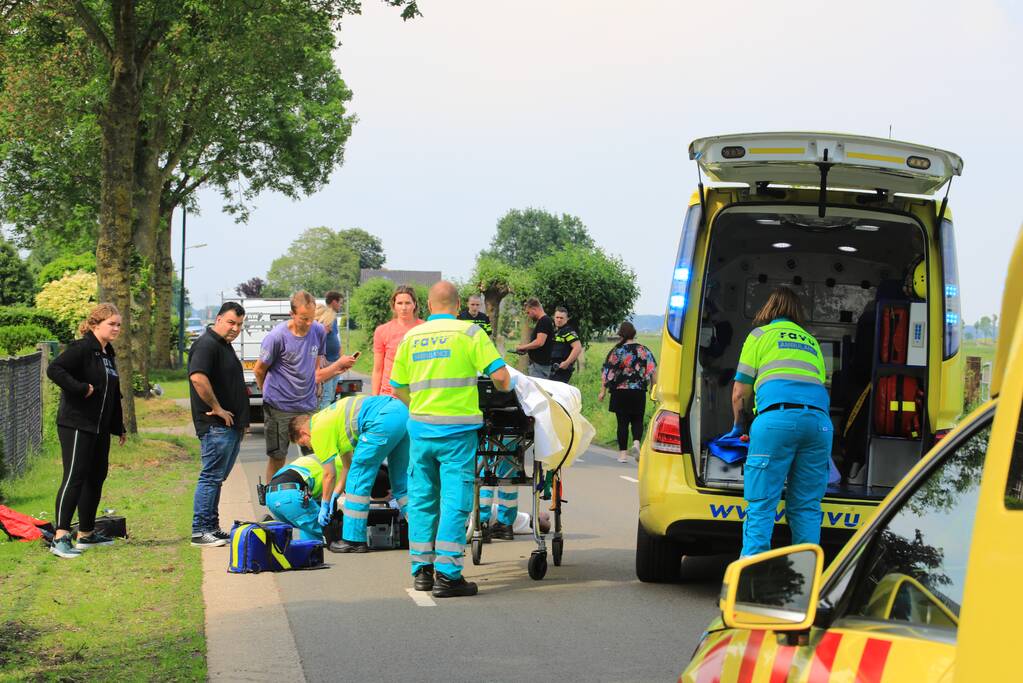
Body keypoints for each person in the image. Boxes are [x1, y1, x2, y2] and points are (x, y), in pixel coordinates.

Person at [390, 280, 513, 598]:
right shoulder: (471, 333)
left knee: (422, 501)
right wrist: (506, 388)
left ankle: (422, 572)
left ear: (429, 306)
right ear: (458, 307)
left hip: (421, 432)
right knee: (455, 502)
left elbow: (397, 386)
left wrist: (418, 407)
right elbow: (501, 378)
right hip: (457, 434)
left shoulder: (411, 337)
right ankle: (447, 575)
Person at [729, 287, 832, 557]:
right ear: (797, 311)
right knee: (807, 506)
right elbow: (819, 383)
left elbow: (740, 392)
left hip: (775, 421)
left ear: (769, 308)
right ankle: (804, 574)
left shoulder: (760, 335)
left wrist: (739, 426)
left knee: (762, 505)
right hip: (819, 425)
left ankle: (752, 573)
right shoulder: (811, 342)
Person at [253, 291, 357, 497]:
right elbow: (259, 370)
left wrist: (319, 382)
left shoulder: (318, 331)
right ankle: (274, 499)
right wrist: (269, 396)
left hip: (307, 404)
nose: (309, 323)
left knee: (318, 453)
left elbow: (316, 365)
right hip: (279, 406)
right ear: (292, 314)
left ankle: (317, 499)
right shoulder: (276, 337)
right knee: (278, 456)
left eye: (311, 318)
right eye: (304, 319)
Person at [46, 303, 127, 558]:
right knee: (75, 476)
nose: (116, 328)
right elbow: (54, 369)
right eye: (111, 324)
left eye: (119, 324)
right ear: (95, 324)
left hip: (99, 427)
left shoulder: (107, 354)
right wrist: (80, 389)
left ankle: (87, 534)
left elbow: (113, 393)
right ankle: (60, 536)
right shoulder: (82, 349)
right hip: (77, 423)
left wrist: (119, 426)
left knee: (96, 477)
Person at [287, 393, 411, 552]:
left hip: (381, 419)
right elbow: (347, 465)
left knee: (357, 478)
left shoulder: (317, 430)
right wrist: (335, 494)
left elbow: (329, 474)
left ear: (303, 432)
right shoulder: (330, 420)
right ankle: (423, 534)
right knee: (403, 484)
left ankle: (354, 541)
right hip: (401, 412)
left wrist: (324, 504)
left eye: (304, 444)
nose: (309, 447)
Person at [188, 302, 250, 547]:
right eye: (231, 322)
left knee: (217, 478)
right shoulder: (206, 344)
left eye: (240, 324)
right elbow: (198, 378)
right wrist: (217, 407)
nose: (235, 328)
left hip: (230, 426)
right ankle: (200, 530)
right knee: (211, 477)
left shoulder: (224, 345)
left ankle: (212, 527)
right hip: (215, 425)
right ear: (218, 319)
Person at [599, 322, 657, 463]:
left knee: (622, 423)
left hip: (620, 392)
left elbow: (607, 373)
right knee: (637, 419)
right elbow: (652, 371)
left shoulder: (617, 351)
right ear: (634, 333)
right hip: (638, 391)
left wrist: (603, 391)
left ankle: (623, 455)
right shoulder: (643, 350)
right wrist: (653, 388)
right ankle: (636, 443)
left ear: (621, 334)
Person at [371, 285, 425, 397]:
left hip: (418, 393)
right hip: (389, 395)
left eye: (407, 303)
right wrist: (375, 398)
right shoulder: (382, 331)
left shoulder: (426, 328)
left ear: (414, 304)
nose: (404, 307)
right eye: (400, 303)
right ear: (393, 306)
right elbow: (377, 369)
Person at [516, 298, 555, 379]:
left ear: (534, 309)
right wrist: (527, 349)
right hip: (538, 366)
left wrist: (523, 347)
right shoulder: (543, 321)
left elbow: (539, 342)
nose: (528, 315)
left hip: (539, 367)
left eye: (528, 312)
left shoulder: (544, 321)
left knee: (537, 387)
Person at [318, 291, 343, 410]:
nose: (341, 305)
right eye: (340, 302)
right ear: (334, 302)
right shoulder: (325, 316)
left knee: (331, 395)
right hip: (327, 363)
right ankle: (322, 419)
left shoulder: (333, 318)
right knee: (326, 396)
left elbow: (336, 338)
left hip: (334, 362)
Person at [550, 306, 583, 383]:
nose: (559, 320)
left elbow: (578, 347)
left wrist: (567, 362)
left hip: (562, 369)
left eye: (561, 318)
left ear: (567, 319)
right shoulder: (556, 331)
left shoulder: (568, 331)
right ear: (554, 318)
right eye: (557, 317)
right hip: (552, 368)